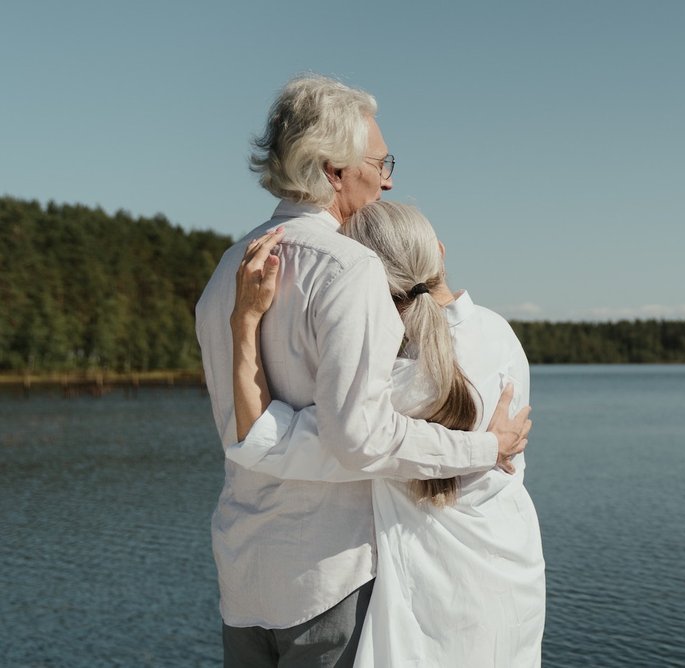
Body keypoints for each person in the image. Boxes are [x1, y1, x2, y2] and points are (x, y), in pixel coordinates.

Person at [195, 74, 531, 667]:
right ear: (333, 171)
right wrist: (484, 447)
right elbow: (362, 437)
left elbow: (243, 431)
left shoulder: (228, 270)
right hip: (330, 578)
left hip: (243, 574)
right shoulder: (351, 268)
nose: (388, 179)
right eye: (379, 163)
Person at [228, 201, 545, 667]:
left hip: (438, 603)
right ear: (439, 253)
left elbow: (269, 440)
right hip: (514, 576)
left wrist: (245, 323)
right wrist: (489, 447)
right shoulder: (500, 334)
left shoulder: (396, 385)